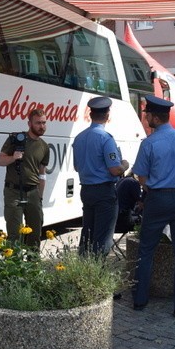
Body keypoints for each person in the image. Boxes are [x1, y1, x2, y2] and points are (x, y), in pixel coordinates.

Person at [131, 96, 175, 316]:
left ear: (153, 116)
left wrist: (154, 189)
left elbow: (140, 175)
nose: (146, 119)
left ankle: (140, 299)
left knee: (146, 250)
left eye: (147, 116)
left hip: (157, 198)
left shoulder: (149, 143)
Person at [73, 96, 129, 256]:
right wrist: (125, 164)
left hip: (86, 190)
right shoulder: (105, 138)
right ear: (107, 115)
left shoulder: (79, 138)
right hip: (104, 192)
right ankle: (98, 273)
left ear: (91, 115)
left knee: (87, 233)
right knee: (103, 237)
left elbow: (77, 167)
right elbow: (115, 170)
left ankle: (83, 268)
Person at [0, 108, 49, 248]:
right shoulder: (16, 139)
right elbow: (0, 161)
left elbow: (42, 174)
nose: (41, 126)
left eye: (44, 123)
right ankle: (14, 268)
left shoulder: (44, 146)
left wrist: (40, 197)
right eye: (38, 123)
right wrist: (13, 157)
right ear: (29, 123)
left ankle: (33, 267)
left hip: (33, 193)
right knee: (14, 235)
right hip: (13, 192)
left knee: (35, 233)